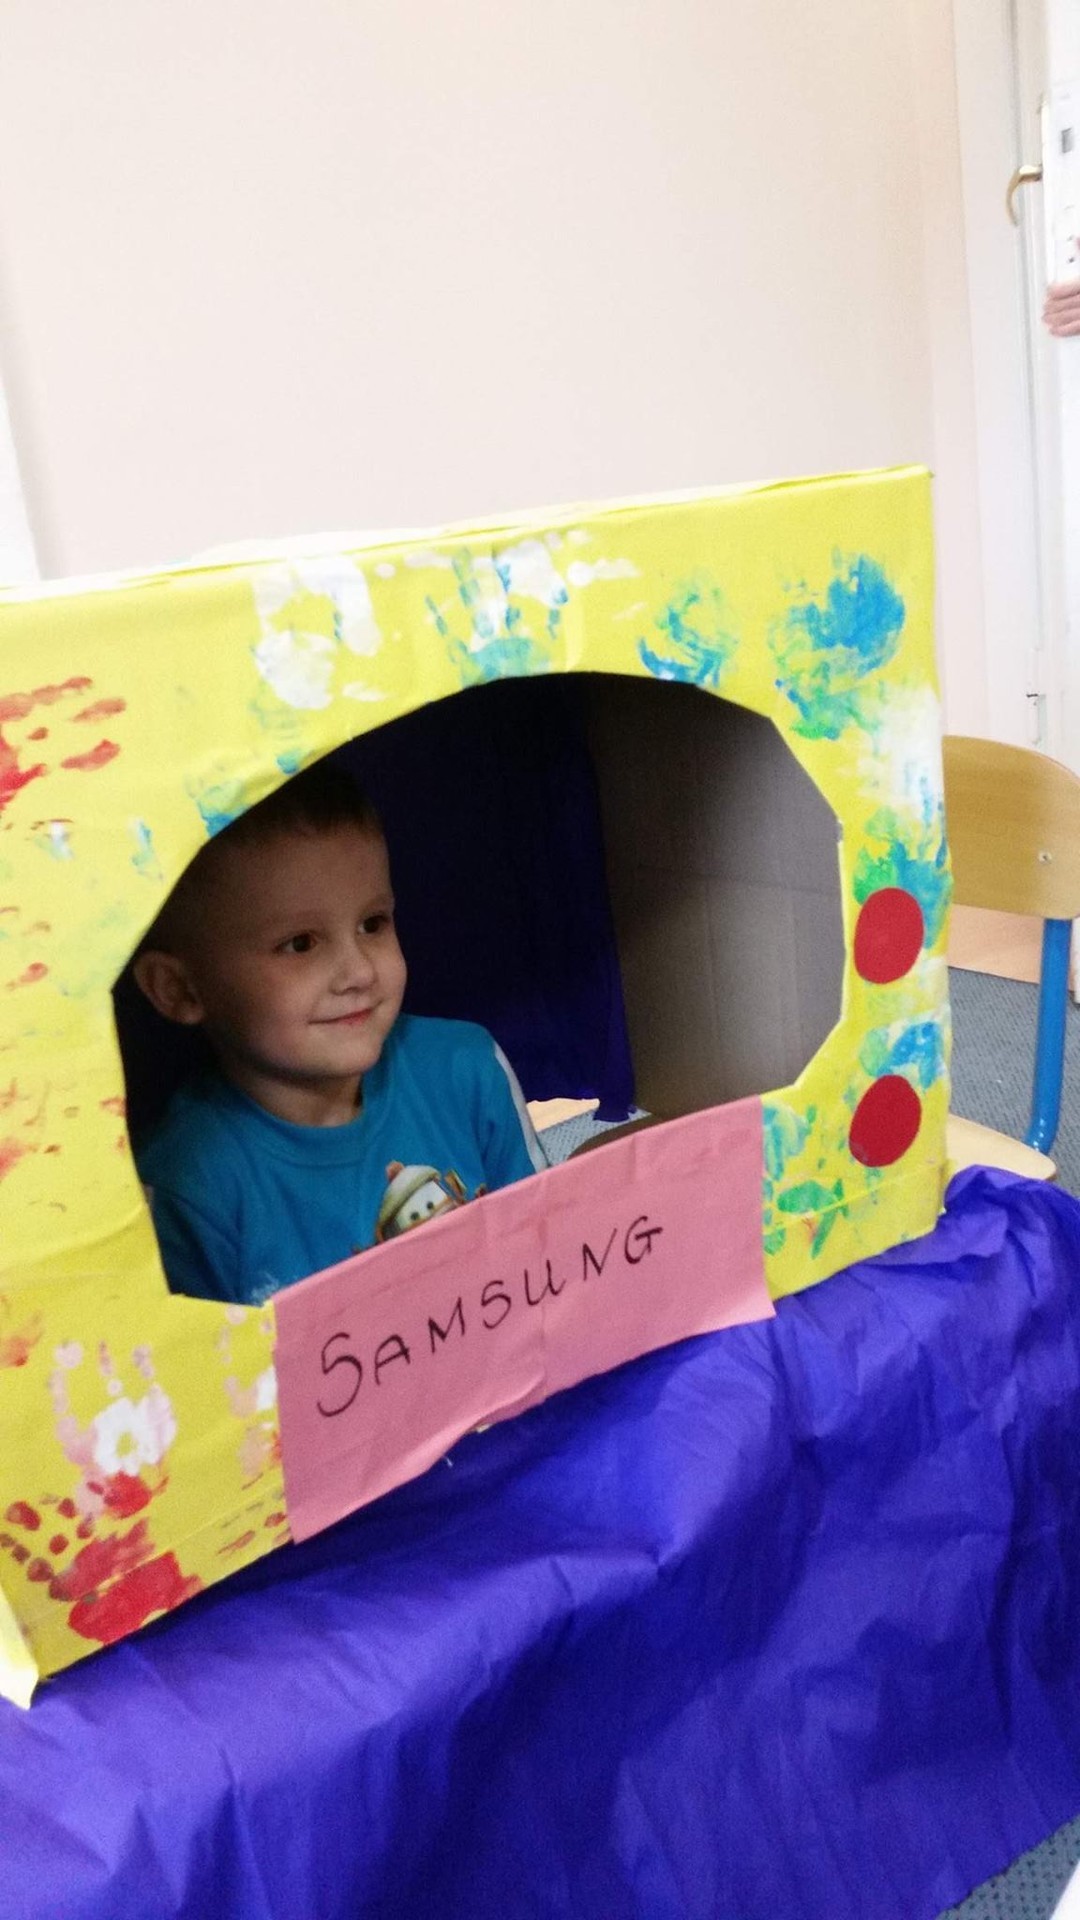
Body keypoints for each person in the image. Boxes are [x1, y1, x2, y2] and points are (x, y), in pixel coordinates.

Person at [133, 761, 545, 1305]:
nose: (360, 972)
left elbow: (553, 1253)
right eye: (300, 943)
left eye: (373, 924)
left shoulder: (466, 1068)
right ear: (180, 990)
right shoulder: (187, 1185)